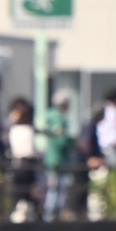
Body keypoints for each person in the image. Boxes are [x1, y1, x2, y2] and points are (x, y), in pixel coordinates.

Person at [41, 90, 75, 222]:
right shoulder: (58, 118)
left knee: (54, 187)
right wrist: (72, 144)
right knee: (56, 188)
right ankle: (51, 215)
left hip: (53, 158)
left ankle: (51, 214)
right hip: (58, 159)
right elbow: (61, 140)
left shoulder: (51, 116)